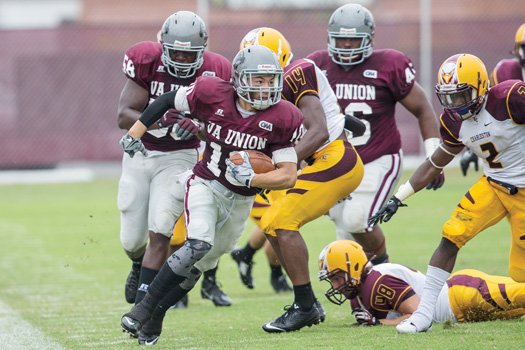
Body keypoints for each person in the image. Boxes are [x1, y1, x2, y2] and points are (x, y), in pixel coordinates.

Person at [119, 45, 306, 345]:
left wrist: (256, 177)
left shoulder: (283, 116)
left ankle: (155, 318)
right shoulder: (211, 91)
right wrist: (136, 132)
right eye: (257, 80)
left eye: (270, 80)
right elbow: (168, 100)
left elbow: (288, 174)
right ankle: (142, 310)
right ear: (239, 78)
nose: (265, 87)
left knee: (199, 267)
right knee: (197, 244)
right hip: (205, 182)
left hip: (241, 200)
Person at [369, 53, 525, 333]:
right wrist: (398, 197)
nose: (456, 105)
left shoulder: (509, 98)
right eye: (450, 97)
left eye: (462, 96)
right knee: (451, 235)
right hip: (494, 185)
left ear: (480, 86)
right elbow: (435, 162)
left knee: (520, 279)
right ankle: (424, 314)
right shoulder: (453, 121)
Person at [239, 27, 365, 333]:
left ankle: (304, 307)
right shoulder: (268, 89)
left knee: (284, 221)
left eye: (265, 72)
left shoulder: (298, 71)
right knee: (270, 223)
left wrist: (282, 164)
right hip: (314, 159)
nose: (260, 81)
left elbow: (319, 129)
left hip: (335, 157)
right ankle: (307, 300)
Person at [307, 3, 443, 265]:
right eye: (341, 39)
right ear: (329, 38)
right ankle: (362, 294)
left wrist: (431, 157)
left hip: (378, 157)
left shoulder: (388, 65)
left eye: (353, 39)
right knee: (343, 227)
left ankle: (383, 267)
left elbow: (423, 109)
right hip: (337, 160)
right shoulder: (316, 66)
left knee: (357, 219)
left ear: (368, 39)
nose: (346, 45)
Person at [117, 11, 232, 308]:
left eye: (188, 54)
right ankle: (137, 263)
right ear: (164, 46)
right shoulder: (147, 60)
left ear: (202, 50)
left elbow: (223, 128)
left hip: (180, 155)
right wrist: (159, 120)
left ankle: (143, 306)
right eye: (176, 53)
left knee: (161, 226)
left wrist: (200, 128)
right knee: (131, 240)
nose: (181, 60)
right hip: (141, 152)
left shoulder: (216, 70)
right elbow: (124, 115)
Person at [318, 240, 525, 327]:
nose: (335, 286)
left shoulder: (378, 282)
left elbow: (418, 315)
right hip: (461, 312)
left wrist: (377, 323)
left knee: (520, 294)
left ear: (353, 267)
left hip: (463, 295)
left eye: (337, 278)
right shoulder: (359, 296)